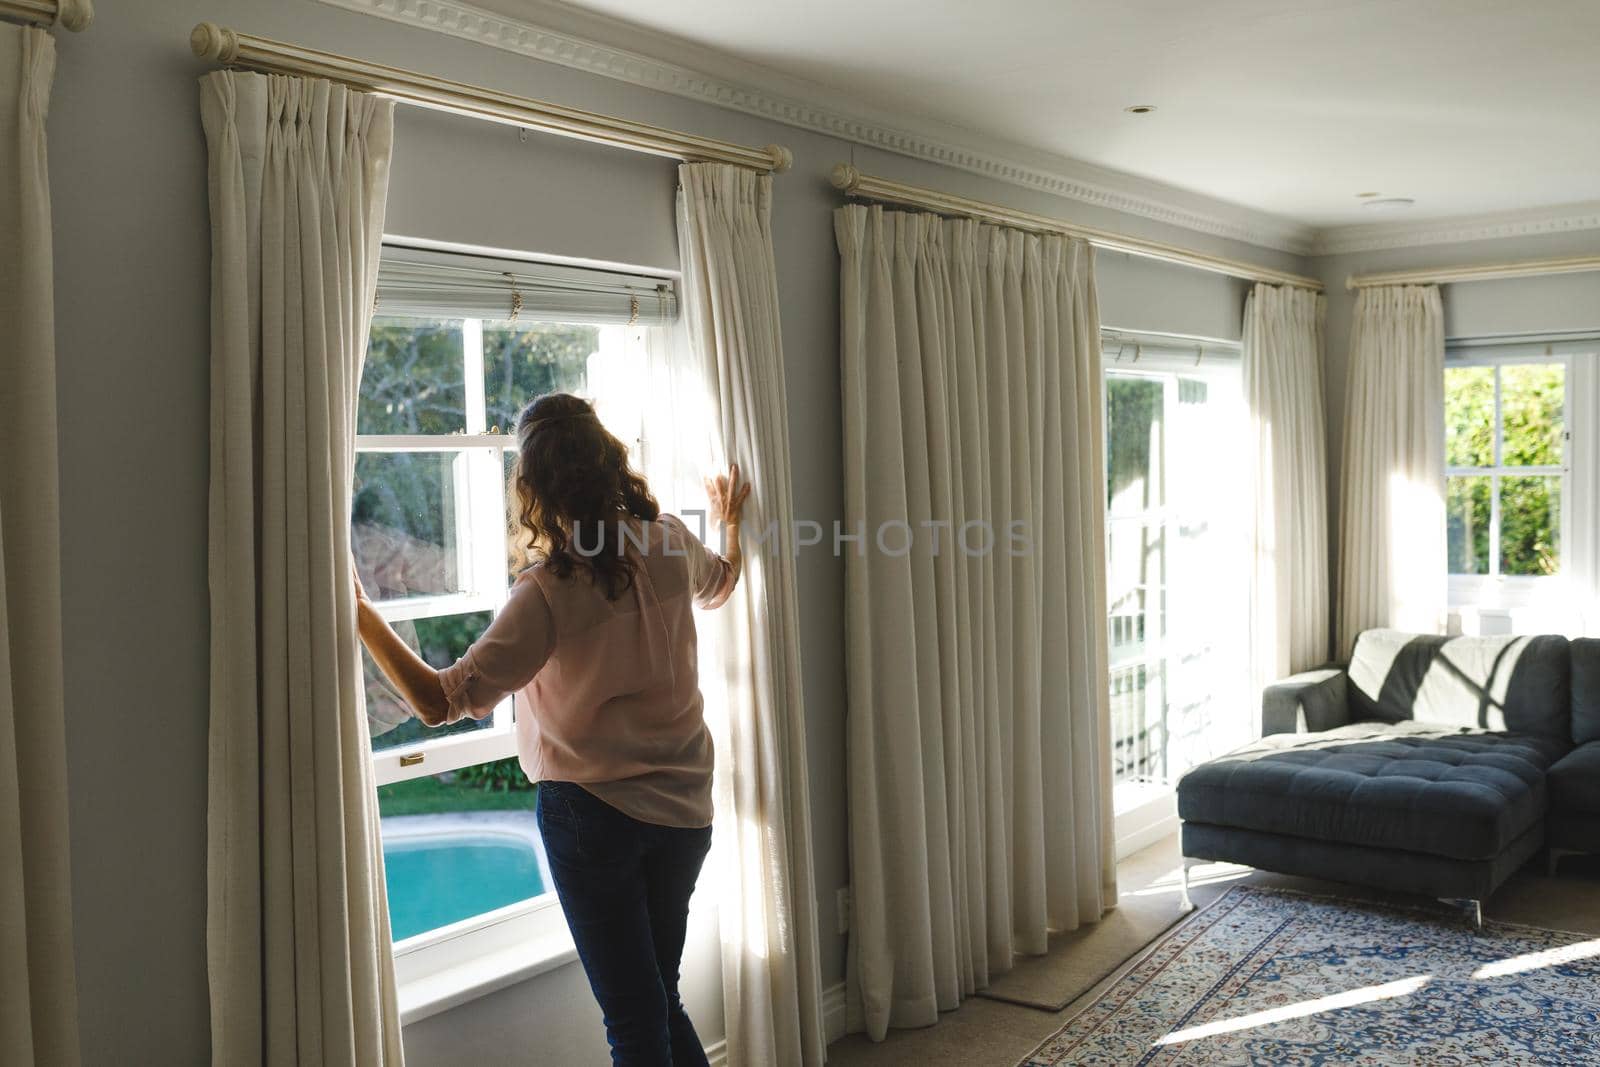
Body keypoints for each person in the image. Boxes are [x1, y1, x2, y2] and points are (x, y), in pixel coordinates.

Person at [355, 392, 749, 1066]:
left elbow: (438, 700)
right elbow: (723, 582)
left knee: (635, 1018)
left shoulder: (547, 591)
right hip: (685, 809)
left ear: (532, 488)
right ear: (608, 462)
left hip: (594, 817)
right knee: (658, 998)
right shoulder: (672, 542)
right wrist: (729, 522)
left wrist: (360, 611)